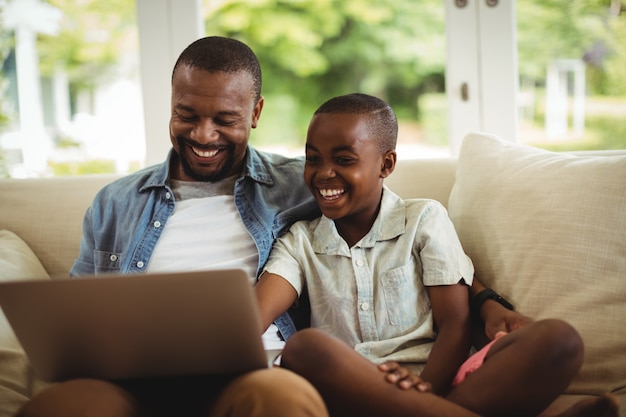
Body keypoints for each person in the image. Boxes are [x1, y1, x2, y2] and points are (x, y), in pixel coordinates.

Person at [255, 93, 620, 417]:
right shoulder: (298, 241)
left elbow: (456, 326)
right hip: (353, 388)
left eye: (344, 159)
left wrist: (426, 388)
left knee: (559, 339)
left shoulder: (424, 219)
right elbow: (254, 316)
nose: (324, 173)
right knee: (305, 348)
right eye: (313, 159)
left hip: (439, 381)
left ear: (386, 165)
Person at [18, 36, 327, 417]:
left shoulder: (302, 185)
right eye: (187, 115)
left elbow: (376, 210)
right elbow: (79, 323)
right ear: (172, 105)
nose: (203, 135)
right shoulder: (115, 202)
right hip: (137, 384)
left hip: (256, 374)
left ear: (255, 112)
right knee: (61, 407)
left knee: (281, 400)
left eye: (224, 120)